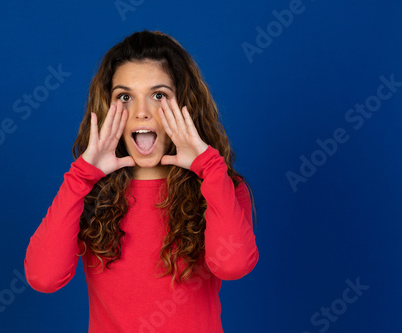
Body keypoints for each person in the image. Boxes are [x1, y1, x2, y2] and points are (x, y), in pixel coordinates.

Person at [24, 30, 259, 332]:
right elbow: (43, 277)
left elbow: (233, 265)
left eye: (159, 95)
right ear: (108, 109)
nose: (142, 113)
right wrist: (81, 178)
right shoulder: (88, 192)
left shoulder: (219, 185)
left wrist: (210, 168)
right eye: (125, 97)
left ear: (184, 105)